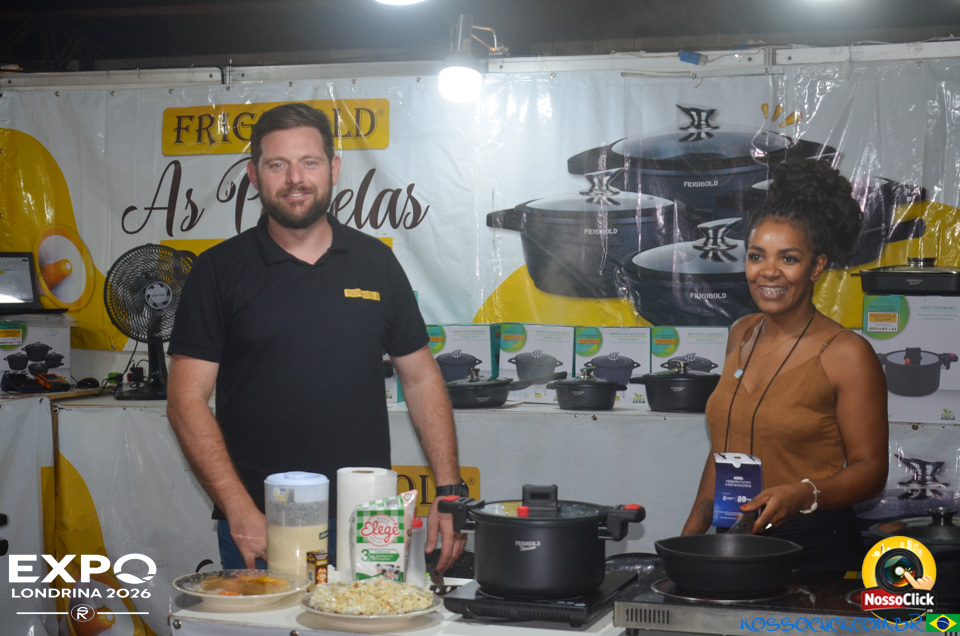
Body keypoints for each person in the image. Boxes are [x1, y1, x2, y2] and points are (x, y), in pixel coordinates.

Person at [166, 102, 467, 572]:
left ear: (334, 169)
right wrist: (238, 509)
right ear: (253, 175)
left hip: (367, 520)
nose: (295, 179)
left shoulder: (376, 263)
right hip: (262, 522)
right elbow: (185, 399)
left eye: (309, 162)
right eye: (277, 165)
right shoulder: (218, 270)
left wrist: (448, 491)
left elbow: (421, 378)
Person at [680, 158, 889, 571]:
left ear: (816, 266)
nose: (769, 272)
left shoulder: (846, 353)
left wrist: (804, 493)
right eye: (757, 256)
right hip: (735, 540)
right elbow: (723, 453)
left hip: (812, 546)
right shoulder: (741, 333)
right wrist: (688, 543)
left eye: (788, 258)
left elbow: (871, 471)